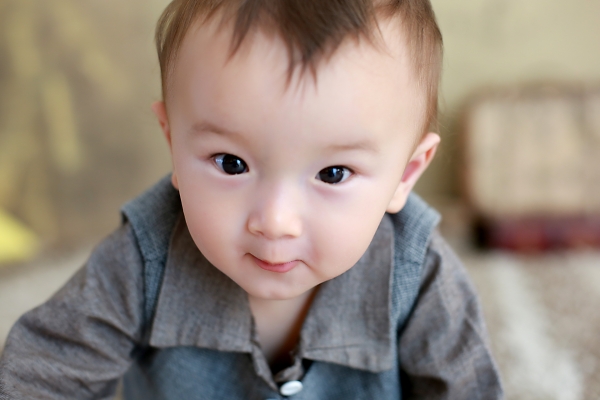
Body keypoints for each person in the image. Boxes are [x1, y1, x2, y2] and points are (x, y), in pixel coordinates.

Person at [0, 0, 503, 398]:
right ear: (173, 142)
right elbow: (40, 374)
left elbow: (466, 388)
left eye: (332, 174)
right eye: (231, 163)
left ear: (405, 175)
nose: (276, 221)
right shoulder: (142, 260)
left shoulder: (418, 272)